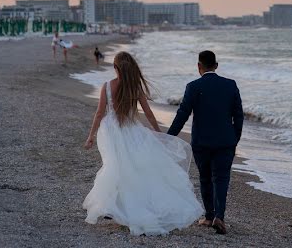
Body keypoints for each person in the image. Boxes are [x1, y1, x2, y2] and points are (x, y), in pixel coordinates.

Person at [82, 52, 202, 235]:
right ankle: (125, 207)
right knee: (135, 168)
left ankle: (117, 207)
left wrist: (91, 135)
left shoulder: (107, 86)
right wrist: (159, 134)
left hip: (112, 132)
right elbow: (149, 113)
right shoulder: (135, 88)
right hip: (133, 130)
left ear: (116, 68)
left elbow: (99, 113)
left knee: (115, 167)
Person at [167, 50, 243, 235]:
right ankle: (220, 217)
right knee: (222, 178)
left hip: (202, 142)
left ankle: (209, 217)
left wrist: (169, 136)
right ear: (216, 65)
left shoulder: (193, 86)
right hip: (226, 142)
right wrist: (235, 138)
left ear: (198, 66)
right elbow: (238, 116)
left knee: (205, 178)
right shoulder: (230, 85)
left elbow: (182, 114)